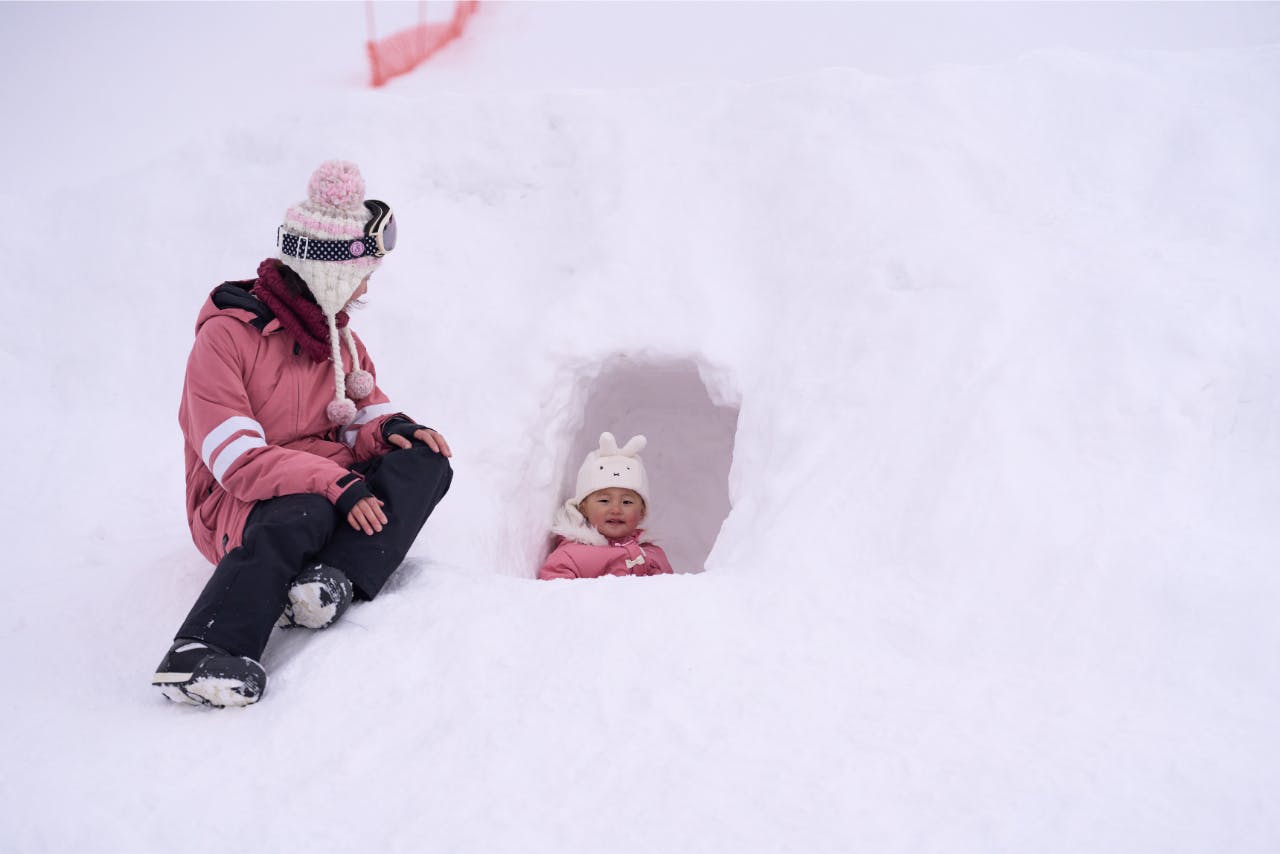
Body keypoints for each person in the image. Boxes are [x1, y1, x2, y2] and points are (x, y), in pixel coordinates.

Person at [152, 160, 453, 708]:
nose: (365, 287)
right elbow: (238, 462)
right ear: (327, 276)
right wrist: (336, 484)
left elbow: (364, 419)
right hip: (237, 503)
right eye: (361, 274)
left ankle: (327, 579)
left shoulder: (341, 342)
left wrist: (397, 430)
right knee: (306, 510)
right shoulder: (226, 340)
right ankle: (202, 649)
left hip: (326, 482)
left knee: (426, 463)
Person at [538, 432, 674, 580]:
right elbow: (555, 593)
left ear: (641, 512)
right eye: (604, 501)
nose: (616, 509)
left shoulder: (654, 555)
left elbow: (670, 595)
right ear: (583, 508)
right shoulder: (571, 556)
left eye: (627, 502)